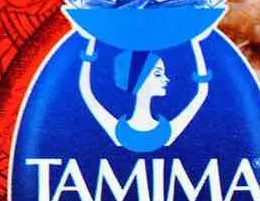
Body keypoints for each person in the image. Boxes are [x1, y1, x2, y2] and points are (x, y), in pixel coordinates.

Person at [78, 35, 212, 152]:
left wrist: (196, 43)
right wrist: (91, 42)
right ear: (139, 79)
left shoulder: (164, 132)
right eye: (158, 74)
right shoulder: (121, 131)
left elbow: (202, 93)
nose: (166, 79)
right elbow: (86, 91)